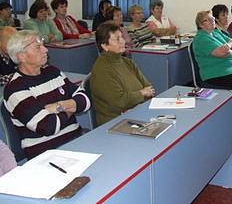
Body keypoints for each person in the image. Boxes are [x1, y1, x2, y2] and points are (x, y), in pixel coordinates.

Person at [3, 30, 91, 159]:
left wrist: (59, 106)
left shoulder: (52, 71)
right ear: (21, 56)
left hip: (77, 140)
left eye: (43, 44)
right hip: (47, 154)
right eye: (38, 47)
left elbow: (85, 101)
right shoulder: (15, 89)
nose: (45, 50)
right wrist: (72, 105)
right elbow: (49, 126)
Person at [90, 22, 155, 126]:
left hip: (136, 114)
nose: (123, 41)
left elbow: (149, 89)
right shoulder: (102, 70)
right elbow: (119, 102)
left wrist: (141, 95)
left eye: (122, 37)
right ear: (104, 46)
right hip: (115, 123)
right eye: (117, 39)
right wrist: (141, 94)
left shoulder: (128, 62)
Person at [192, 10, 232, 110]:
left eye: (213, 19)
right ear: (200, 25)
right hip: (215, 73)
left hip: (231, 67)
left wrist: (228, 45)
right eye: (208, 19)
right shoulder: (201, 39)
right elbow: (221, 53)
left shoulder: (215, 33)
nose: (212, 21)